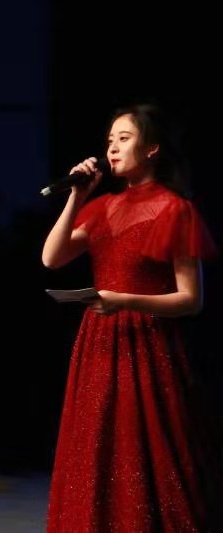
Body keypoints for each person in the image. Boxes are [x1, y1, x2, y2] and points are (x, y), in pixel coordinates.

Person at [42, 103, 223, 532]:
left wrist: (124, 300)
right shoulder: (103, 205)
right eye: (110, 140)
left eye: (124, 139)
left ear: (152, 148)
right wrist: (77, 195)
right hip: (98, 341)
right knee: (96, 445)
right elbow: (52, 258)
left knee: (143, 449)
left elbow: (191, 299)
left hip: (148, 344)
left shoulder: (174, 209)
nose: (112, 148)